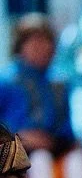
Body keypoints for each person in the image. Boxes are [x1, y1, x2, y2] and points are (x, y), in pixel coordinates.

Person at [0, 15, 75, 158]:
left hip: (55, 151)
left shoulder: (59, 82)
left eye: (45, 40)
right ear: (20, 47)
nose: (41, 47)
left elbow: (67, 130)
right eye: (33, 41)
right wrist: (18, 136)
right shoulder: (5, 80)